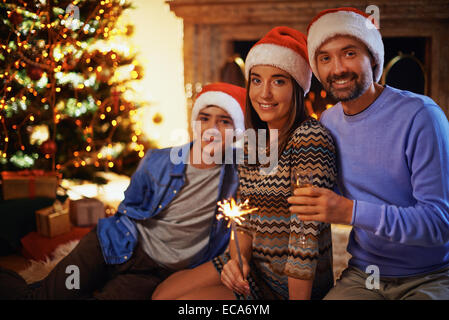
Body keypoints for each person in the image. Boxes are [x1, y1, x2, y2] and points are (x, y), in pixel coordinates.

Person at [0, 82, 246, 300]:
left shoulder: (241, 172)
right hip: (113, 244)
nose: (212, 128)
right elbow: (129, 205)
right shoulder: (159, 161)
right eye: (205, 118)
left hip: (155, 274)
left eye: (224, 121)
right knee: (47, 295)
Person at [153, 26, 337, 300]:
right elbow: (245, 218)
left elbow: (305, 237)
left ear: (297, 86)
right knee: (162, 295)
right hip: (253, 268)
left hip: (289, 285)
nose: (264, 94)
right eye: (256, 80)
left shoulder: (310, 138)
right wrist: (237, 261)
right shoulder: (252, 142)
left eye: (278, 81)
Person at [288, 7, 449, 299]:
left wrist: (349, 211)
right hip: (366, 274)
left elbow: (439, 224)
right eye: (325, 58)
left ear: (372, 58)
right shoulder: (327, 123)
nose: (337, 69)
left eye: (349, 53)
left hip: (431, 275)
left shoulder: (422, 115)